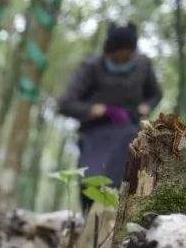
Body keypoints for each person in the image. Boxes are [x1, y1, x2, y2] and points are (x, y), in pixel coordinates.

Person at [58, 22, 163, 211]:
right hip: (95, 132)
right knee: (92, 180)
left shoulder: (143, 66)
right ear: (108, 53)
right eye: (117, 58)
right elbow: (65, 103)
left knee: (131, 177)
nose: (122, 61)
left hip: (129, 132)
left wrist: (147, 106)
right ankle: (90, 223)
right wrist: (91, 110)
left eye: (127, 57)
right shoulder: (91, 68)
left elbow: (155, 94)